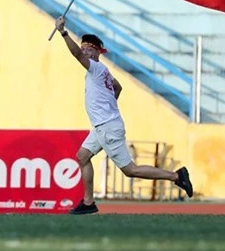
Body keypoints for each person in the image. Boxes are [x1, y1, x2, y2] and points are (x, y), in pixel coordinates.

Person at [54, 16, 193, 215]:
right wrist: (110, 107)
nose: (84, 50)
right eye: (83, 46)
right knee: (82, 156)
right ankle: (88, 202)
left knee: (130, 170)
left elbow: (76, 54)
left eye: (89, 48)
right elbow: (118, 87)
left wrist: (63, 32)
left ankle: (176, 176)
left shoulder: (95, 68)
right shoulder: (103, 72)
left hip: (107, 126)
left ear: (97, 52)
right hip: (103, 125)